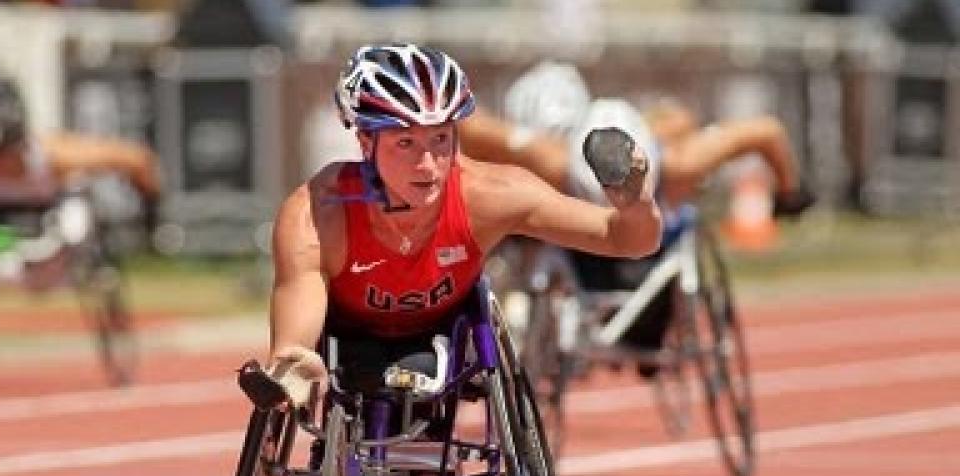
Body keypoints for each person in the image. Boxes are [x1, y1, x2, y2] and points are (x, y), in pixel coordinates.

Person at [238, 43, 661, 410]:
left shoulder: (490, 194)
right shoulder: (316, 213)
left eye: (440, 139)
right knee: (332, 371)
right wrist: (294, 366)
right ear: (366, 142)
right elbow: (295, 341)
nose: (428, 164)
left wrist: (634, 199)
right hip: (348, 337)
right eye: (406, 143)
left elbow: (626, 239)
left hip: (443, 338)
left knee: (427, 368)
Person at [456, 61, 815, 362]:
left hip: (648, 231)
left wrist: (789, 192)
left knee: (679, 121)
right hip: (577, 232)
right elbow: (765, 131)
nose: (611, 202)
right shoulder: (548, 157)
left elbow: (763, 131)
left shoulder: (677, 162)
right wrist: (789, 194)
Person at [0, 77, 162, 257]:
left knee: (78, 215)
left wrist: (152, 208)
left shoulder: (54, 154)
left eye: (1, 151)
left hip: (48, 243)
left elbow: (135, 157)